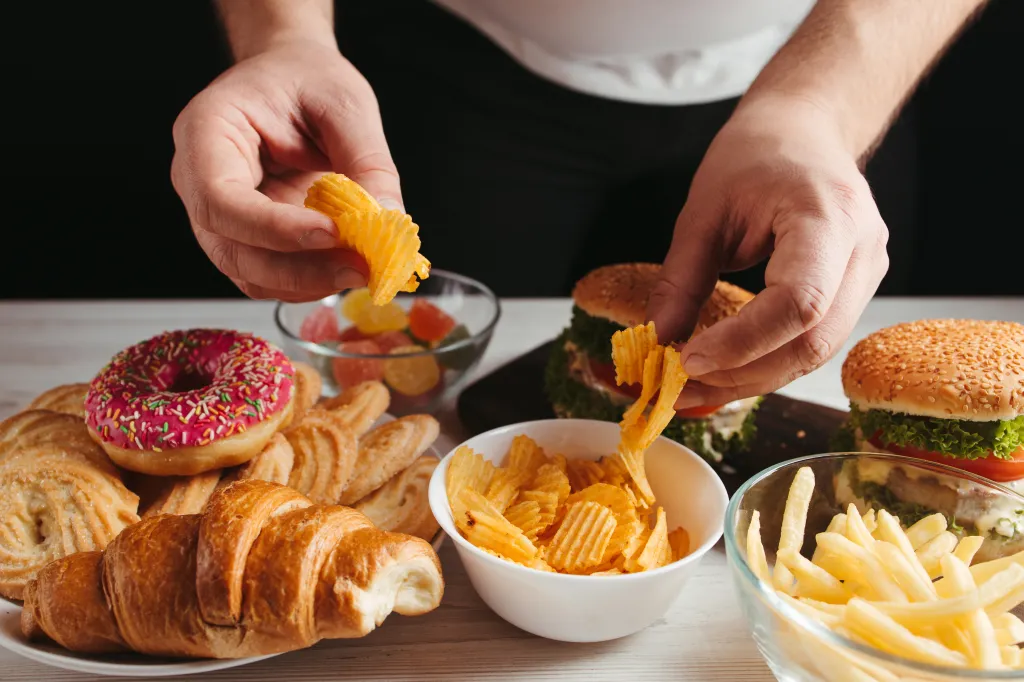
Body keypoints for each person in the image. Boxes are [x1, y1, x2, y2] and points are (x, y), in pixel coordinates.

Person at [170, 0, 987, 408]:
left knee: (775, 350)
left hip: (822, 66)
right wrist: (286, 37)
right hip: (456, 63)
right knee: (427, 393)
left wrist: (814, 110)